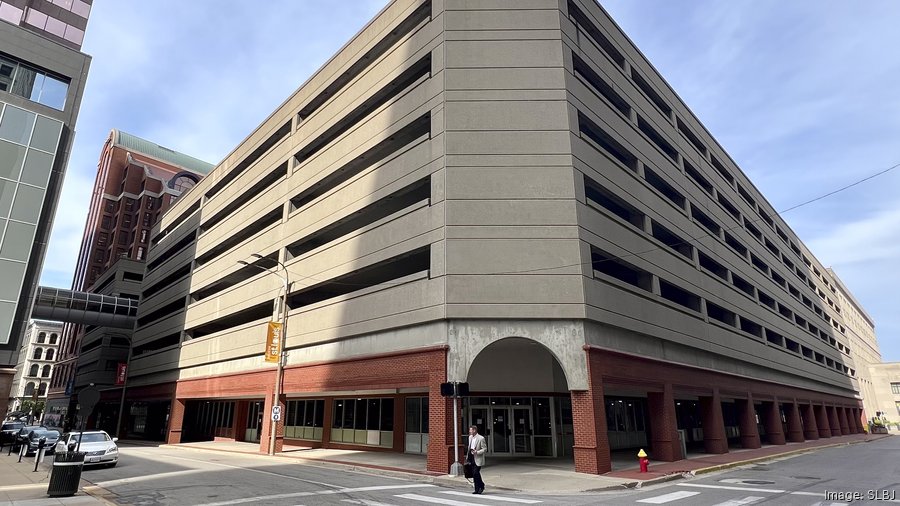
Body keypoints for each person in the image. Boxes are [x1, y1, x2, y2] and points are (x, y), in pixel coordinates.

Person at [467, 424, 487, 494]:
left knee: (476, 473)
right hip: (471, 457)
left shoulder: (481, 438)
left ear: (474, 430)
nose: (470, 431)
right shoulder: (470, 437)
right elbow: (469, 447)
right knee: (474, 474)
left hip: (478, 458)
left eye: (471, 430)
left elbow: (484, 449)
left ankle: (481, 486)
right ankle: (477, 489)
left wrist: (477, 452)